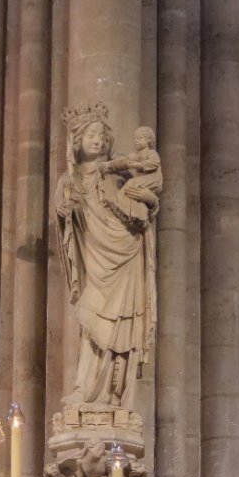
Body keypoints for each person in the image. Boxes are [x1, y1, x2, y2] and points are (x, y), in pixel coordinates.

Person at [55, 106, 158, 411]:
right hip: (94, 258)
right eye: (90, 134)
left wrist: (149, 200)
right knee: (91, 317)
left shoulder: (119, 173)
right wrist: (64, 214)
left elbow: (145, 202)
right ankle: (86, 390)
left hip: (126, 253)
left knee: (121, 324)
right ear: (77, 140)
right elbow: (67, 219)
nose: (97, 140)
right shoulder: (69, 180)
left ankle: (114, 395)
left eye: (101, 135)